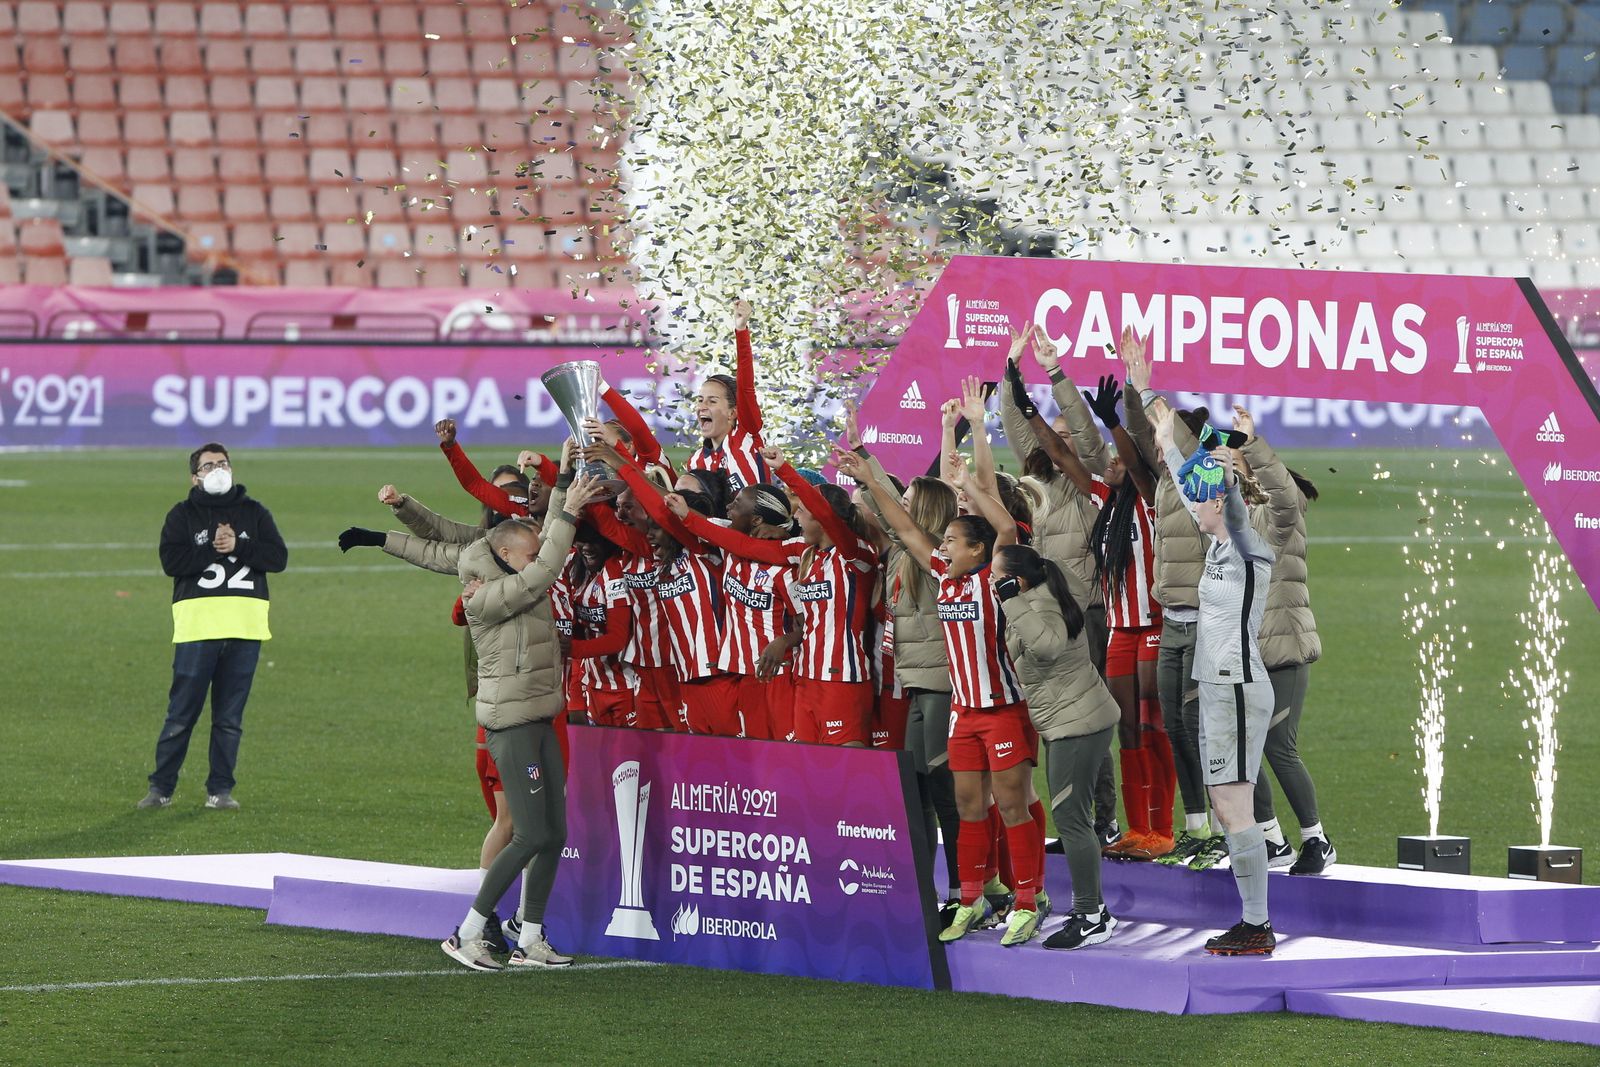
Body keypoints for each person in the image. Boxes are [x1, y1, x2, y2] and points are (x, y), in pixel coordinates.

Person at [849, 440, 1046, 948]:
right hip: (964, 714)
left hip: (1002, 709)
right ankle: (972, 899)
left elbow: (1004, 528)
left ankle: (1028, 901)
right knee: (967, 805)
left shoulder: (992, 580)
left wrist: (970, 484)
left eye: (953, 542)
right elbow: (906, 528)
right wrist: (872, 481)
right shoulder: (944, 578)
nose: (942, 549)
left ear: (977, 551)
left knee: (1013, 805)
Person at [442, 466, 604, 971]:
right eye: (527, 552)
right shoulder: (487, 597)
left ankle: (529, 937)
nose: (535, 558)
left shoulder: (521, 579)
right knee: (529, 834)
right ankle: (466, 932)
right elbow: (544, 569)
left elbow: (541, 555)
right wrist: (570, 513)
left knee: (554, 835)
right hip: (510, 726)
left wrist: (563, 481)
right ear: (507, 556)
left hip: (542, 717)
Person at [1156, 409, 1278, 956]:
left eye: (1207, 498)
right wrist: (1164, 437)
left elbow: (1222, 498)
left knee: (1233, 807)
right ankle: (1253, 920)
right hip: (1219, 687)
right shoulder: (1220, 547)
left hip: (1235, 686)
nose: (1195, 504)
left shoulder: (1249, 548)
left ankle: (1257, 923)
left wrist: (1225, 456)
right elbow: (1192, 491)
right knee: (1230, 805)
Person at [997, 323, 1121, 846]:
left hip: (1083, 612)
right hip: (1036, 613)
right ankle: (1077, 809)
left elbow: (1083, 434)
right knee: (1051, 715)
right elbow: (1016, 425)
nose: (1059, 440)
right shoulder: (1034, 486)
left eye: (1066, 436)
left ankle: (1102, 816)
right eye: (1055, 436)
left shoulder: (1084, 481)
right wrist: (1010, 370)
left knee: (1084, 717)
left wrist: (1054, 372)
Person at [1120, 337, 1226, 870]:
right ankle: (1195, 828)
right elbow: (1143, 440)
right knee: (1177, 728)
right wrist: (1136, 398)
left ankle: (1234, 832)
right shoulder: (1162, 483)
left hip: (1207, 625)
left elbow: (1177, 448)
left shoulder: (1204, 482)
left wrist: (1147, 390)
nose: (1159, 449)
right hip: (1173, 622)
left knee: (1208, 731)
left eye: (1168, 442)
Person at [142, 443, 287, 811]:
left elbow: (278, 558)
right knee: (181, 715)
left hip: (245, 628)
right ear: (195, 477)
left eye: (222, 463)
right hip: (197, 628)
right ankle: (161, 789)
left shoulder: (254, 513)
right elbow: (171, 561)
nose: (217, 469)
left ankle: (219, 791)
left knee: (228, 719)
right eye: (208, 466)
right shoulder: (181, 515)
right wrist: (214, 550)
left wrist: (237, 544)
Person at [990, 544, 1120, 949]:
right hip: (1075, 718)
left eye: (997, 576)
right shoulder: (1045, 594)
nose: (991, 581)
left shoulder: (1038, 607)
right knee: (1073, 815)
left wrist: (1010, 600)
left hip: (1076, 724)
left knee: (1072, 819)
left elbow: (1046, 646)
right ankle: (1092, 911)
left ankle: (1091, 916)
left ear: (1018, 580)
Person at [1232, 404, 1336, 875]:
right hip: (1247, 651)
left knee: (1278, 746)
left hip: (1284, 647)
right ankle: (1272, 840)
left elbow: (1283, 495)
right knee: (1241, 748)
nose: (1230, 474)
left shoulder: (1281, 518)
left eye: (1237, 468)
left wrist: (1251, 444)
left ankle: (1317, 839)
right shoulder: (1239, 521)